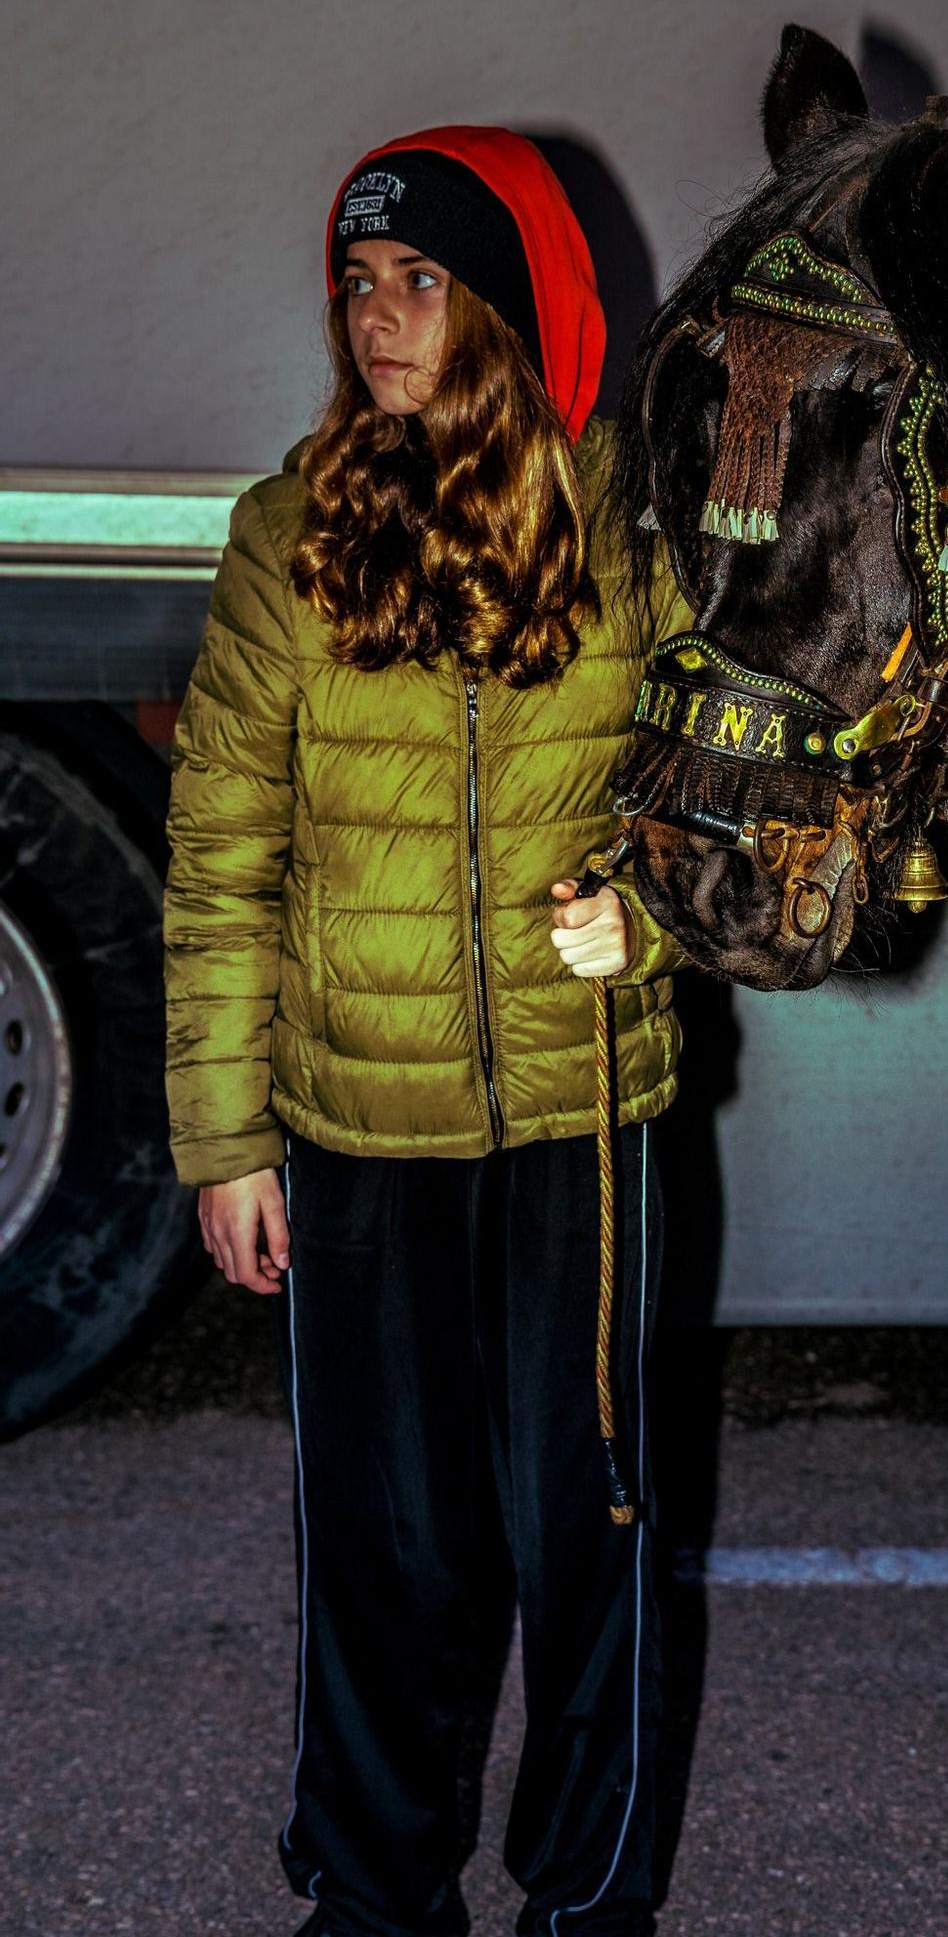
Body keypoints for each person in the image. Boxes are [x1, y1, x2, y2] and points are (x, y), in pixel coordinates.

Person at [162, 126, 692, 1937]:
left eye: (422, 284)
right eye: (359, 286)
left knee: (589, 1540)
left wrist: (669, 906)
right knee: (389, 1555)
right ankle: (375, 1899)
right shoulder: (284, 534)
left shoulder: (644, 524)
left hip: (583, 1129)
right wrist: (225, 1137)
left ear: (520, 307)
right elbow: (220, 858)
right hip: (357, 1137)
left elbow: (748, 793)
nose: (379, 322)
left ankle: (587, 1901)